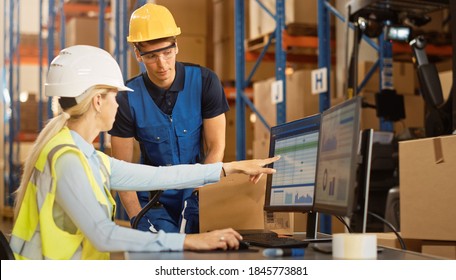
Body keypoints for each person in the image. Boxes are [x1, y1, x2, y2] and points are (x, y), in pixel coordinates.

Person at [9, 45, 279, 260]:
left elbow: (157, 177)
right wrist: (189, 240)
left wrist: (228, 168)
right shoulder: (67, 160)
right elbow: (104, 235)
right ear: (97, 100)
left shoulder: (86, 156)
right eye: (116, 96)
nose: (120, 104)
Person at [108, 3, 229, 234]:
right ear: (137, 54)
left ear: (176, 46)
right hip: (153, 201)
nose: (162, 64)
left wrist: (198, 194)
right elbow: (121, 170)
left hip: (197, 192)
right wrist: (136, 217)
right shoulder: (126, 99)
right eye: (152, 56)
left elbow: (216, 147)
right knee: (162, 256)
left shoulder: (205, 82)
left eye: (167, 52)